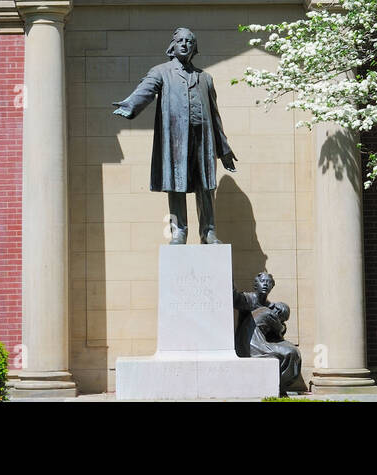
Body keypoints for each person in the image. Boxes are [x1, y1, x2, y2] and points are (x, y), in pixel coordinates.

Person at [113, 28, 237, 244]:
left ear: (194, 47)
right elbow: (146, 89)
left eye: (189, 41)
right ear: (172, 46)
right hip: (177, 140)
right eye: (180, 40)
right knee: (176, 185)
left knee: (206, 185)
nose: (184, 44)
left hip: (203, 139)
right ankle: (179, 231)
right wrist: (130, 106)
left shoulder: (205, 78)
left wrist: (223, 150)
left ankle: (208, 231)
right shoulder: (161, 72)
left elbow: (216, 117)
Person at [233, 271, 305, 394]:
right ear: (256, 285)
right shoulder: (248, 299)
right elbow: (234, 298)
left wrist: (281, 324)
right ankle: (278, 385)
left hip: (262, 341)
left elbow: (276, 332)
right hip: (249, 343)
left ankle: (279, 384)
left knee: (292, 352)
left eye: (269, 282)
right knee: (290, 352)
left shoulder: (271, 307)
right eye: (262, 281)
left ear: (272, 286)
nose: (265, 284)